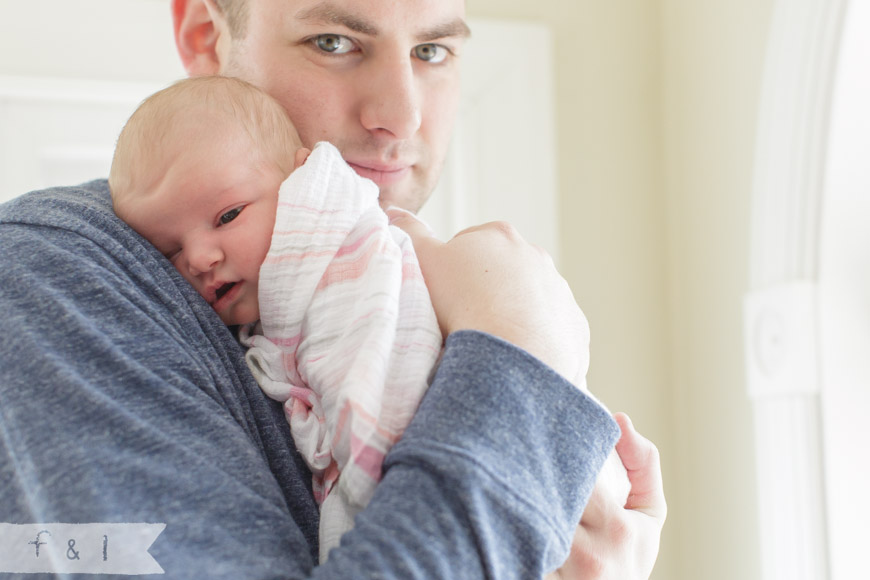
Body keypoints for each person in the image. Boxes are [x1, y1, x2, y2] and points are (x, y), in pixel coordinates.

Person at [0, 0, 666, 577]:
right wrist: (522, 351)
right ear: (206, 35)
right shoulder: (56, 276)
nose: (401, 117)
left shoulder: (416, 297)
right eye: (334, 42)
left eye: (432, 50)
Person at [108, 75, 444, 562]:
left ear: (302, 180)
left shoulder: (350, 259)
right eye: (169, 250)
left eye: (228, 216)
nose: (200, 256)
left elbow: (381, 380)